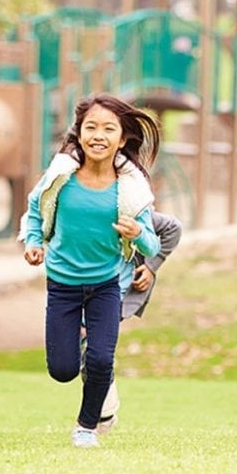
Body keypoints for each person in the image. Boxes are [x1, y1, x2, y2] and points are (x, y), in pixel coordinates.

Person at [21, 93, 161, 448]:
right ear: (79, 133)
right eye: (91, 127)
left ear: (123, 137)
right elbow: (36, 210)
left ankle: (86, 426)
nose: (98, 135)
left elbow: (153, 247)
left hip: (106, 285)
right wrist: (33, 242)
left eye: (108, 129)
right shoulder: (61, 177)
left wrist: (138, 233)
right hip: (62, 284)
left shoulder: (130, 189)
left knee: (101, 359)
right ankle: (87, 363)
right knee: (63, 369)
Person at [93, 209, 183, 435]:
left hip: (116, 289)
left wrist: (152, 267)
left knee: (94, 348)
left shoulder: (126, 207)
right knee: (76, 355)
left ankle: (102, 412)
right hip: (78, 284)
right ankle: (103, 409)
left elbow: (173, 228)